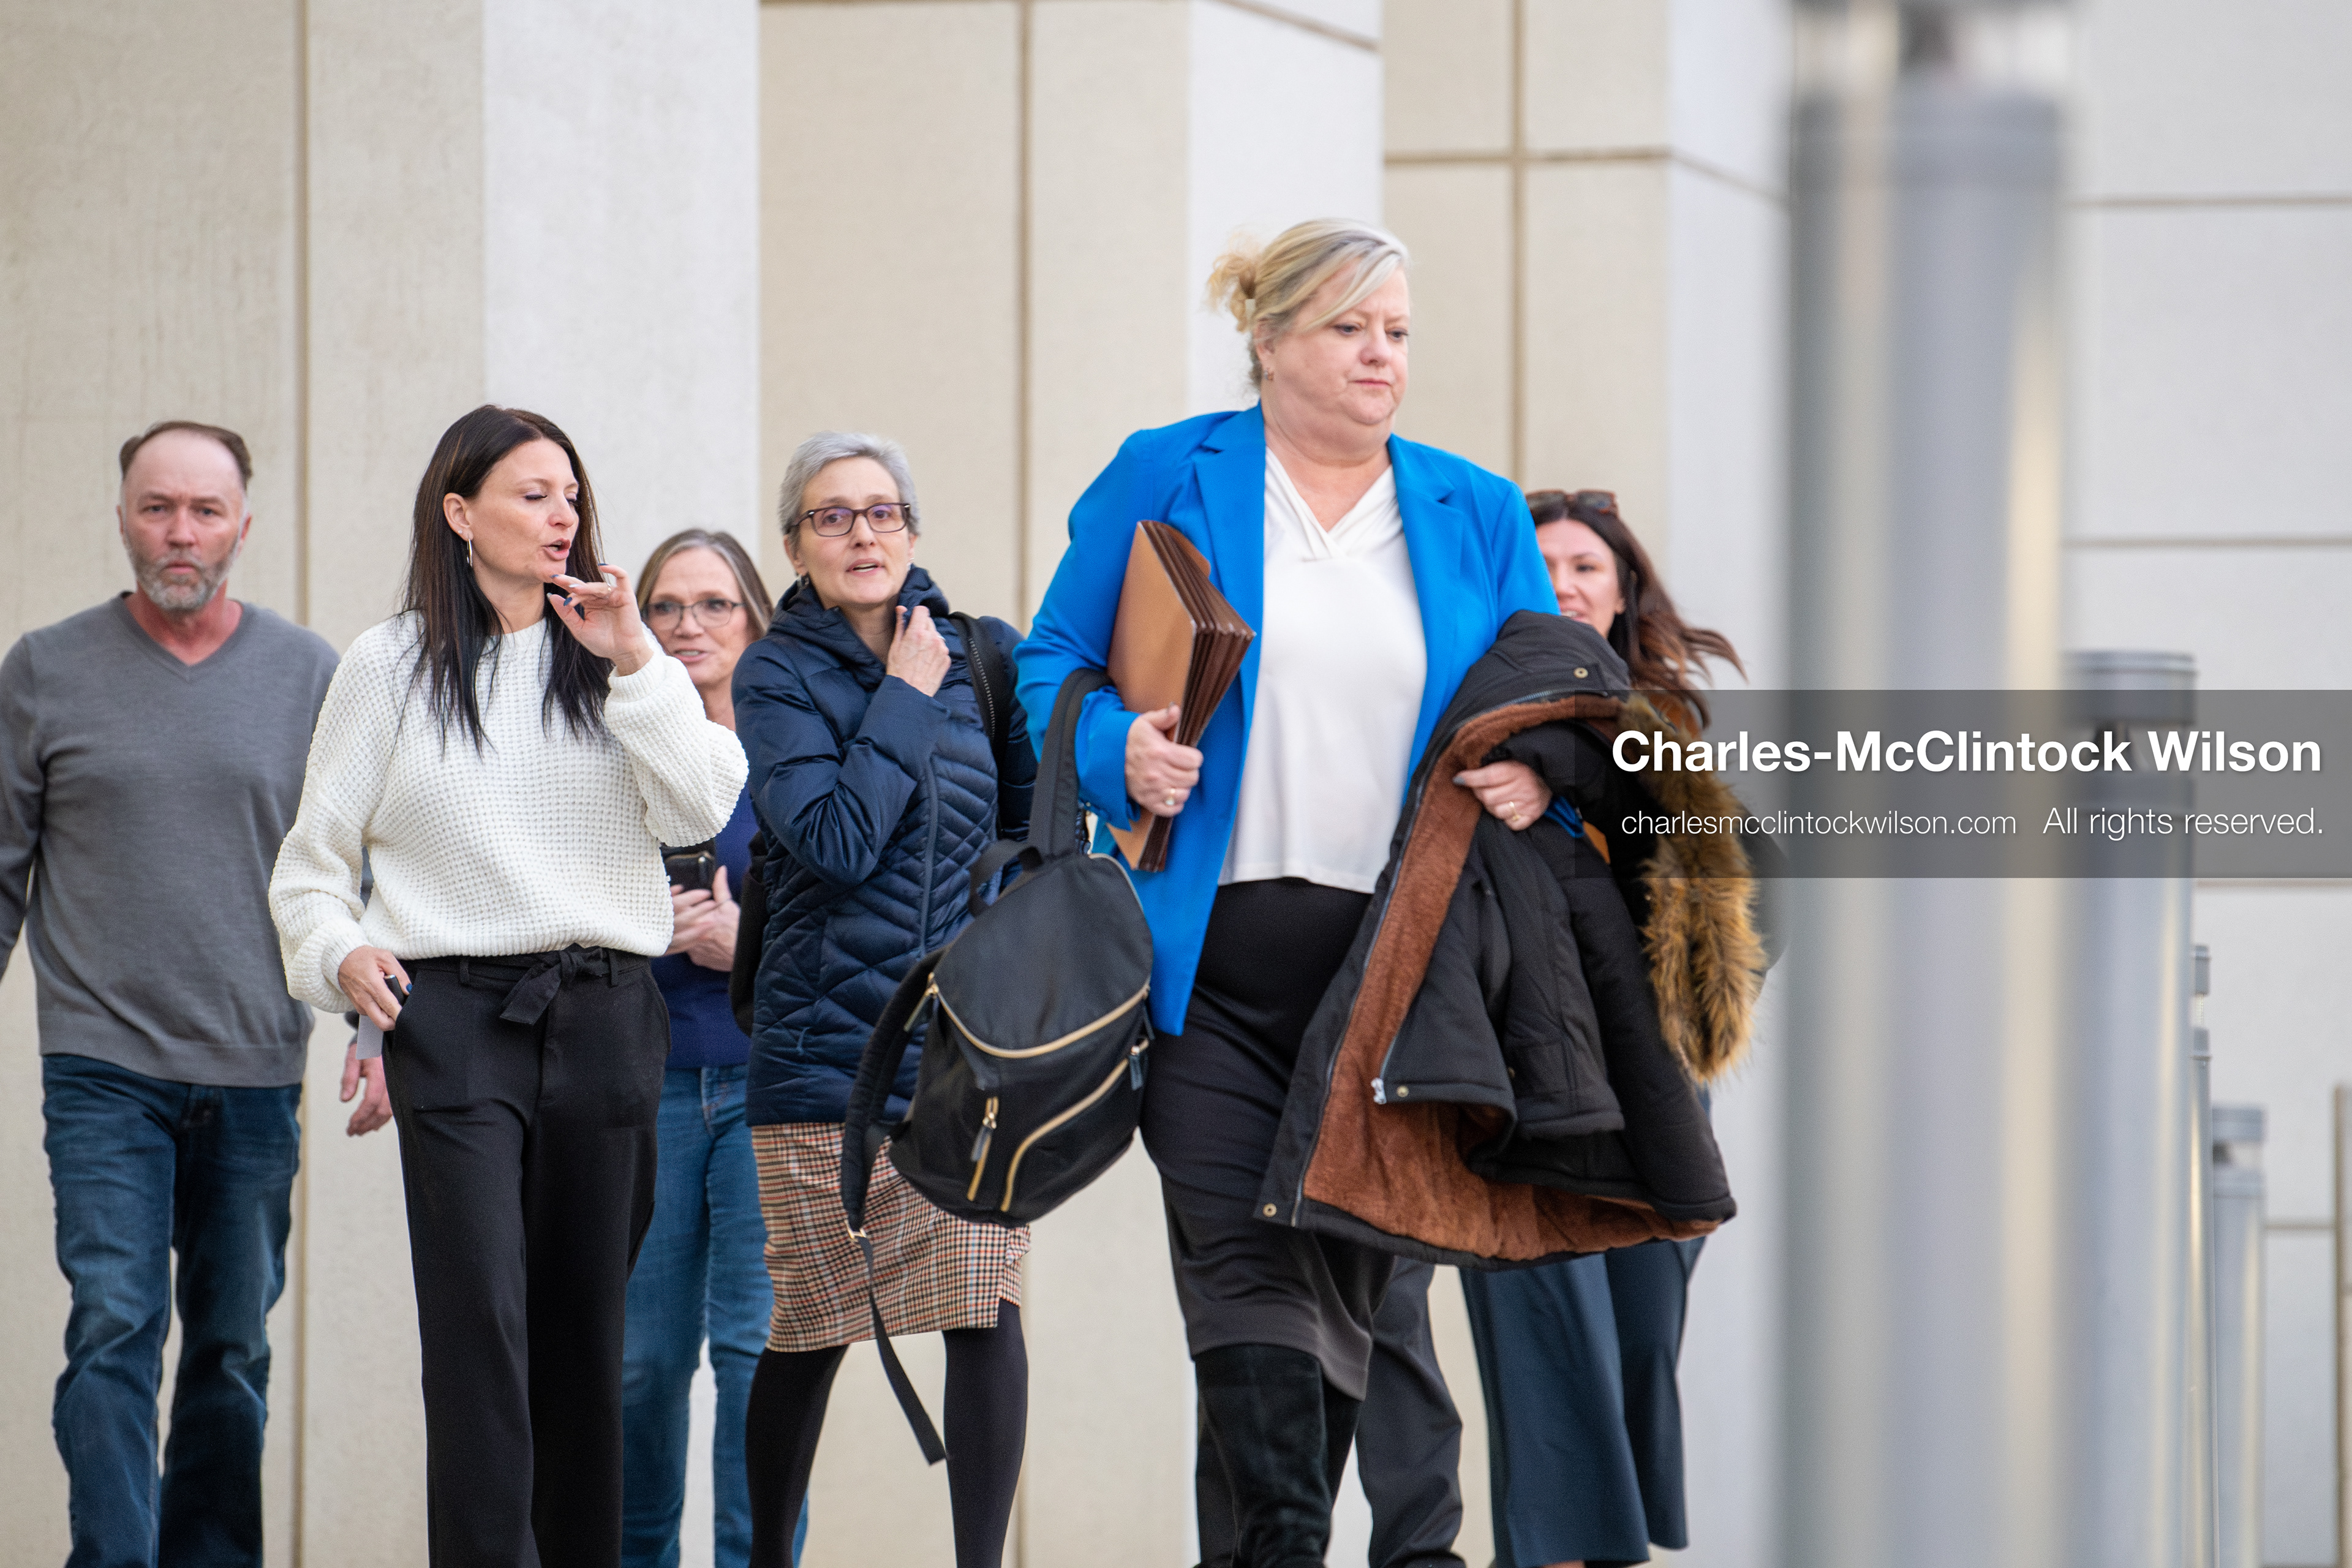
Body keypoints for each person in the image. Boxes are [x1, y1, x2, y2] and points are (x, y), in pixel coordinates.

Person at [1014, 219, 1559, 1568]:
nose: (1382, 355)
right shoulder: (1170, 472)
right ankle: (1290, 1539)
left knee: (1342, 1314)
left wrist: (1541, 771)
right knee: (1246, 1288)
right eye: (1349, 328)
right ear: (1268, 341)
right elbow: (1050, 661)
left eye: (1399, 331)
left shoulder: (1472, 507)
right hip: (1210, 979)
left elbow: (1552, 690)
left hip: (1392, 988)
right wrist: (1110, 747)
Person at [268, 405, 747, 1568]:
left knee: (586, 1335)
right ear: (459, 512)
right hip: (456, 1022)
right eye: (532, 493)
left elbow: (704, 806)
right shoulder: (391, 664)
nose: (561, 514)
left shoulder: (620, 661)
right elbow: (312, 867)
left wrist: (635, 658)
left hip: (606, 1017)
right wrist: (340, 956)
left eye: (571, 495)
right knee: (481, 1323)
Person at [0, 420, 349, 1568]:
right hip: (102, 1070)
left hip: (255, 1069)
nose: (181, 532)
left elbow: (357, 870)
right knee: (113, 1328)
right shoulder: (45, 670)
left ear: (244, 522)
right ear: (122, 517)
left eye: (205, 510)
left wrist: (380, 1029)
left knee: (232, 1351)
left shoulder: (310, 674)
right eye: (159, 507)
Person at [734, 431, 1039, 1568]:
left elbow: (1027, 839)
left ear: (911, 530)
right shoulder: (775, 673)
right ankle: (771, 1554)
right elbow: (836, 839)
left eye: (881, 514)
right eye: (832, 517)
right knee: (813, 1325)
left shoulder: (983, 655)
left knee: (984, 1307)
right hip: (825, 1052)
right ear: (795, 545)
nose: (862, 535)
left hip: (964, 1055)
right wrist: (903, 702)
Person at [1458, 486, 1760, 1568]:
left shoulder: (1665, 729)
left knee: (1634, 1348)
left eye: (1586, 566)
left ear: (1624, 592)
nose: (1565, 585)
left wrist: (1570, 769)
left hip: (1651, 1087)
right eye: (1542, 566)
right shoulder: (1465, 706)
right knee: (1548, 1354)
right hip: (1520, 1075)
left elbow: (1744, 881)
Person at [622, 529, 801, 1568]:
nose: (689, 626)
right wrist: (649, 919)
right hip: (639, 1085)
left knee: (754, 1354)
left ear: (756, 622)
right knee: (642, 1364)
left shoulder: (794, 756)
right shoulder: (612, 748)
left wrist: (750, 946)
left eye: (715, 604)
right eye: (666, 607)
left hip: (762, 1083)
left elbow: (846, 919)